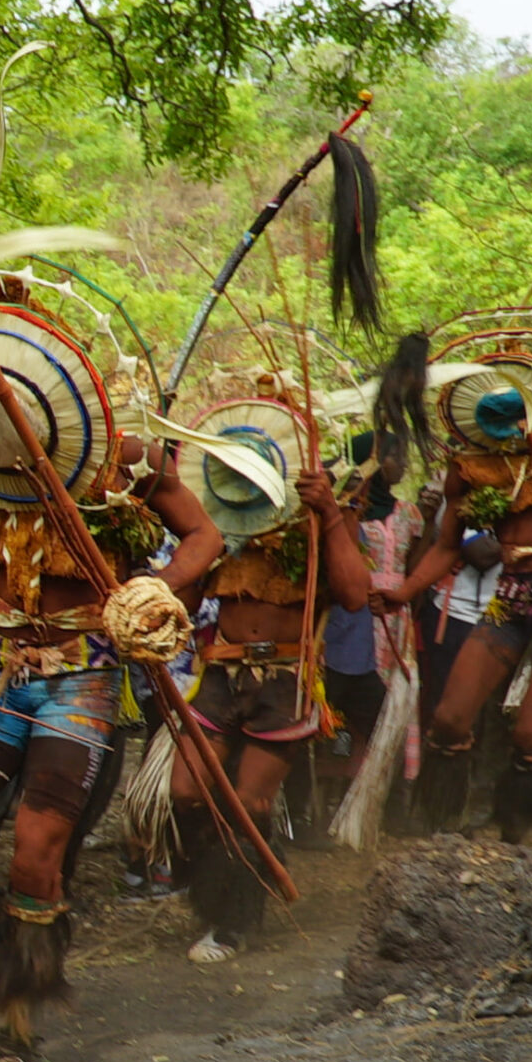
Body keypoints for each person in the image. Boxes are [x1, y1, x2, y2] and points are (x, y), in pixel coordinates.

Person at [0, 384, 219, 1062]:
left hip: (83, 681)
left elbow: (205, 537)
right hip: (0, 673)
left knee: (35, 855)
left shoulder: (125, 460)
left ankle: (17, 1039)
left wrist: (153, 592)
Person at [166, 397, 371, 963]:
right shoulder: (215, 520)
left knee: (249, 803)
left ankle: (232, 921)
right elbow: (187, 595)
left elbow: (355, 595)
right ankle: (219, 881)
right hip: (219, 672)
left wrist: (329, 513)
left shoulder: (320, 514)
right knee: (186, 792)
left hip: (284, 680)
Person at [377, 381, 532, 842]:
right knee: (449, 718)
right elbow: (447, 545)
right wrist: (404, 591)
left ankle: (516, 834)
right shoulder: (471, 468)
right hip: (507, 598)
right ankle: (442, 818)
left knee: (530, 733)